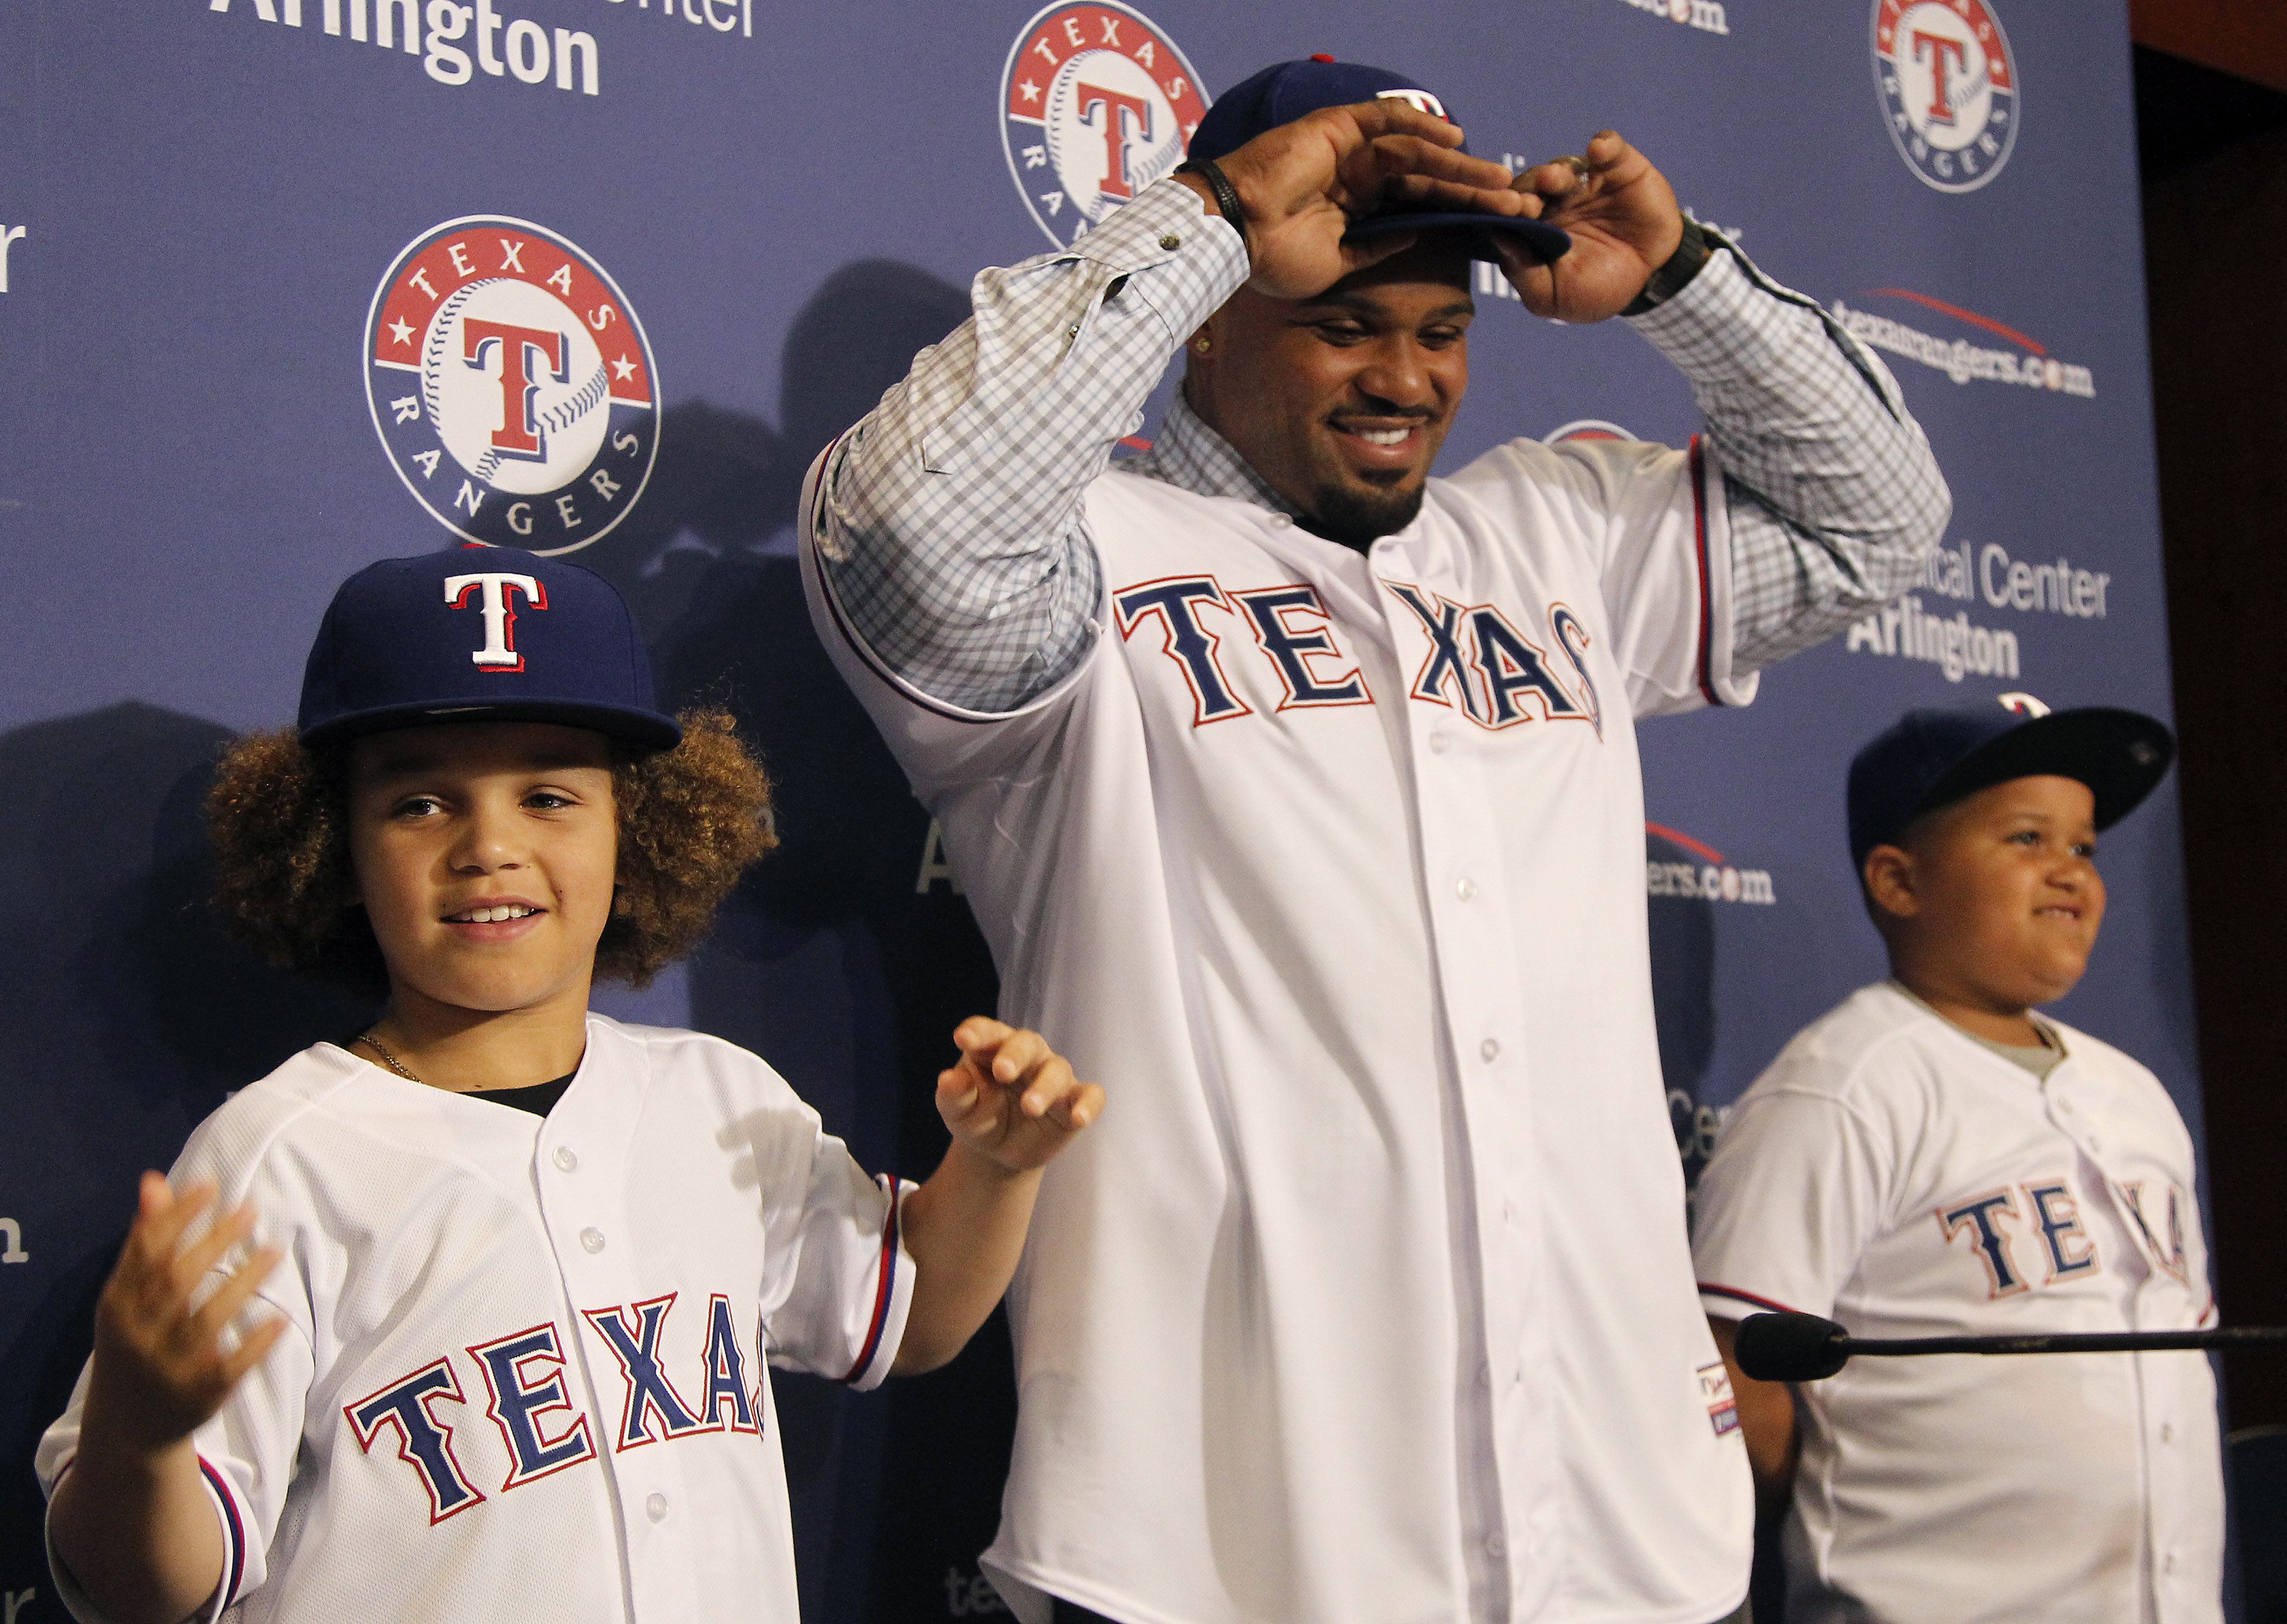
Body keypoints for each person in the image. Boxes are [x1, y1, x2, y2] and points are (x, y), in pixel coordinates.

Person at [802, 54, 1948, 1624]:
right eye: (1345, 324)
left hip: (1622, 1537)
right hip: (1225, 1551)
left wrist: (1686, 286)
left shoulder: (1555, 530)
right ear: (1212, 314)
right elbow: (903, 526)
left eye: (1443, 331)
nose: (1405, 377)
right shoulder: (1083, 571)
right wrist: (1208, 218)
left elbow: (1877, 525)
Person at [35, 546, 1102, 1624]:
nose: (489, 845)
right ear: (334, 848)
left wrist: (998, 1166)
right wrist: (142, 1432)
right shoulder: (281, 1156)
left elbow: (908, 1316)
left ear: (637, 833)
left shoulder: (719, 1099)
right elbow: (143, 1590)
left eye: (548, 794)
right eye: (418, 803)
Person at [1692, 701, 2222, 1623]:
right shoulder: (1843, 1084)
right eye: (2026, 837)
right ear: (1900, 880)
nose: (2069, 871)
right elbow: (1742, 1379)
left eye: (2086, 849)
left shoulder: (2137, 1094)